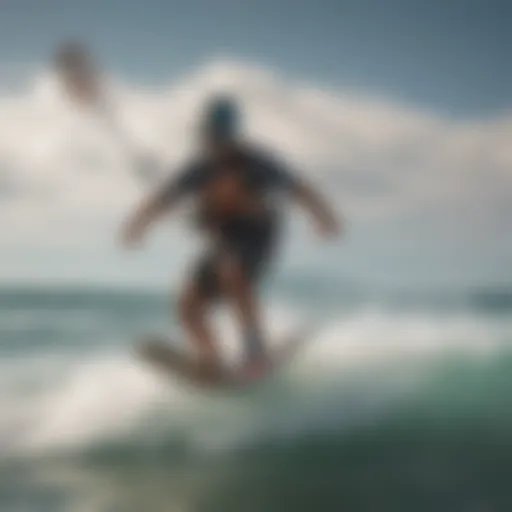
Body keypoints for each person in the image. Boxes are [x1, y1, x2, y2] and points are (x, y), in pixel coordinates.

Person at [121, 95, 340, 380]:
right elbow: (164, 198)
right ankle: (210, 357)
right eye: (208, 135)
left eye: (217, 136)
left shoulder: (257, 162)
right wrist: (138, 225)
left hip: (256, 239)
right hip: (222, 243)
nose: (212, 142)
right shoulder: (199, 168)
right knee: (187, 305)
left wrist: (323, 217)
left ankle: (255, 348)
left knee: (232, 270)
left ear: (230, 136)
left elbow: (299, 188)